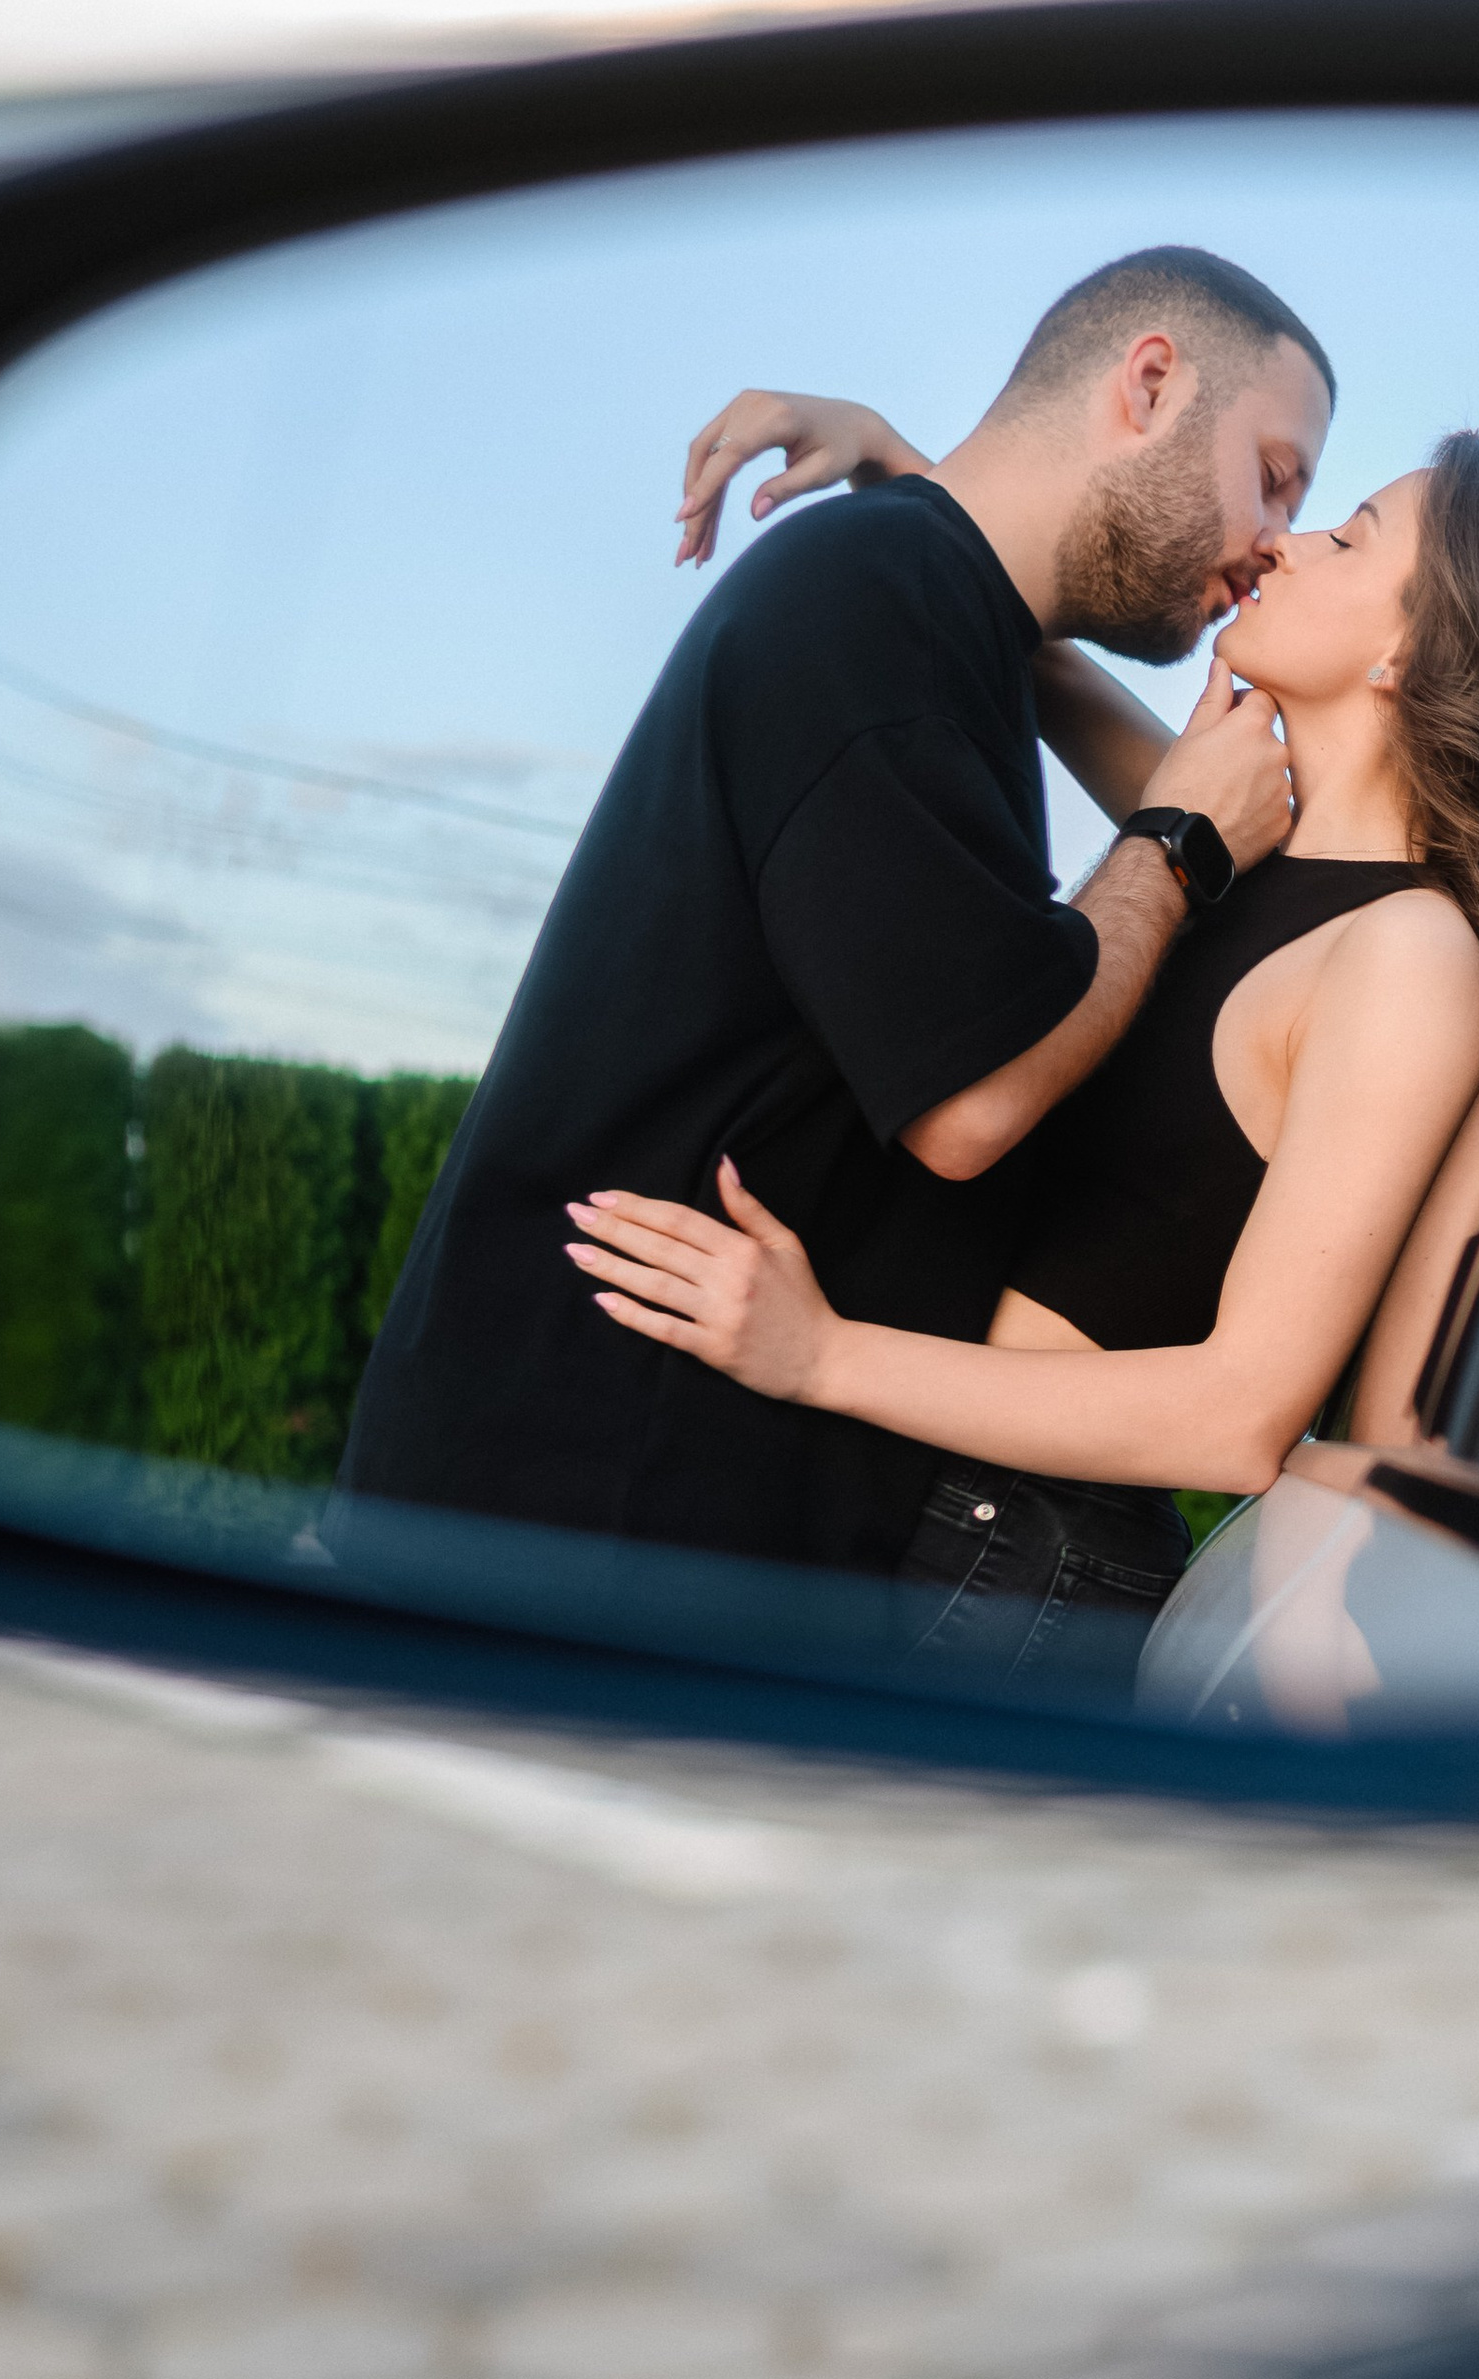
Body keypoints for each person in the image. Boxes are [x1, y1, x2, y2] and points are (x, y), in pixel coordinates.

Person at [566, 421, 1479, 1685]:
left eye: (1346, 535)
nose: (1283, 545)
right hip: (949, 1512)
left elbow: (1239, 1414)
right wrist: (899, 461)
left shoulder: (1407, 960)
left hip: (1020, 1556)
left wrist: (822, 1357)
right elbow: (1049, 661)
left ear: (1412, 649)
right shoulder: (1255, 851)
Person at [333, 247, 1335, 1571]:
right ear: (1147, 384)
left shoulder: (928, 606)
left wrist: (901, 453)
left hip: (632, 1526)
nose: (1274, 542)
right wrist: (1178, 844)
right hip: (585, 1535)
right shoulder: (876, 599)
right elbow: (972, 1100)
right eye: (1274, 475)